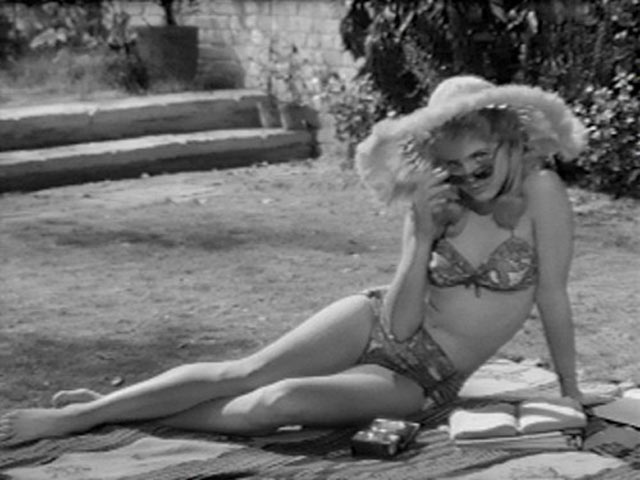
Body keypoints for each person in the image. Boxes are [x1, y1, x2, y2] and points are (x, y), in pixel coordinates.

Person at [0, 75, 589, 447]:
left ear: (512, 142)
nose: (469, 178)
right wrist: (421, 236)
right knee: (244, 372)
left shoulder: (543, 193)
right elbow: (401, 323)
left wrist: (569, 390)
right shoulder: (434, 204)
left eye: (481, 162)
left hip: (423, 380)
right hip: (377, 319)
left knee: (276, 404)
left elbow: (553, 296)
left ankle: (119, 413)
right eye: (453, 167)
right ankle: (85, 415)